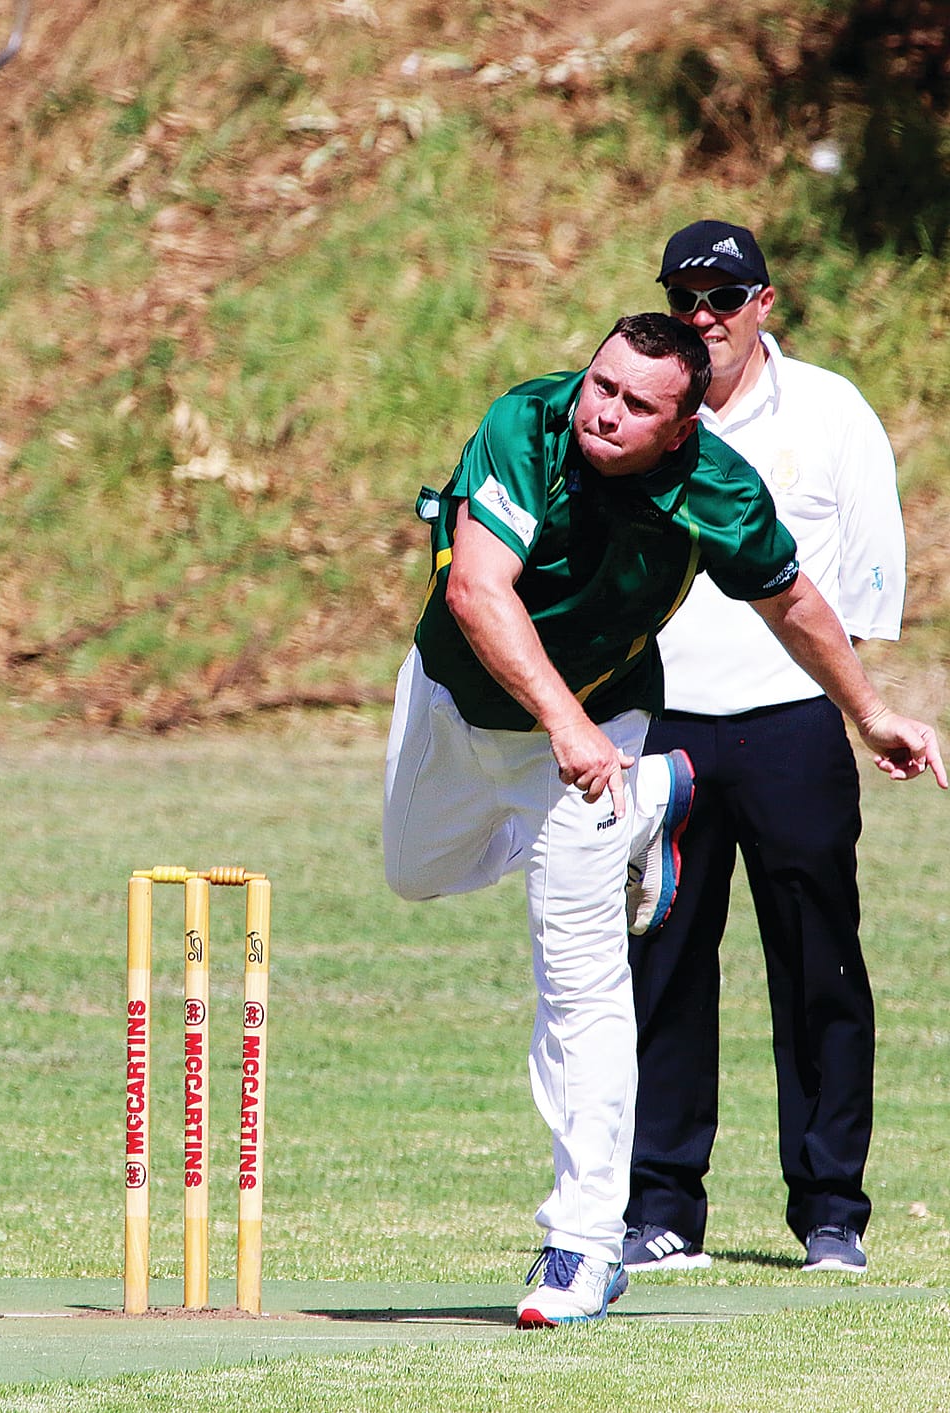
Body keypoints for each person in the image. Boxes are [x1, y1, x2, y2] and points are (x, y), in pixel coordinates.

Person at [382, 312, 943, 1329]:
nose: (602, 411)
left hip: (600, 726)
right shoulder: (527, 424)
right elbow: (473, 591)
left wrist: (869, 712)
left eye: (636, 405)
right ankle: (646, 809)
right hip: (459, 704)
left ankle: (582, 1247)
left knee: (580, 976)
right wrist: (554, 720)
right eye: (601, 384)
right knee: (413, 873)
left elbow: (792, 602)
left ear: (680, 428)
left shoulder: (715, 487)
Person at [623, 222, 909, 1276]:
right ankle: (659, 1206)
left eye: (723, 298)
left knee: (817, 968)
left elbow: (869, 568)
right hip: (663, 727)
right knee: (661, 968)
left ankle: (830, 1210)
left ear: (762, 303)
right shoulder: (641, 403)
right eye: (685, 297)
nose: (703, 318)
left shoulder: (829, 409)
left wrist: (862, 701)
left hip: (791, 724)